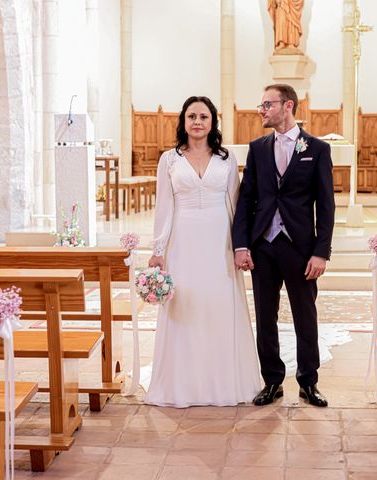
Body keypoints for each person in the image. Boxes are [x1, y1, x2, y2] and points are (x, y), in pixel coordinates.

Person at [145, 96, 261, 407]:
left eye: (204, 117)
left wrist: (241, 245)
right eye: (192, 116)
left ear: (213, 123)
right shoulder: (169, 160)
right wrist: (159, 248)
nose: (198, 122)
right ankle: (182, 385)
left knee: (218, 304)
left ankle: (224, 382)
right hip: (182, 241)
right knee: (186, 305)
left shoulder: (226, 158)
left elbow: (236, 205)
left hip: (218, 241)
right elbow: (164, 206)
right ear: (183, 121)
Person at [232, 84, 335, 407]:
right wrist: (241, 245)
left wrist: (321, 251)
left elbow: (326, 205)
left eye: (267, 104)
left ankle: (308, 381)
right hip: (264, 245)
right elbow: (245, 199)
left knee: (305, 316)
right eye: (261, 104)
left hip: (300, 247)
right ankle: (272, 381)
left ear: (287, 105)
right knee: (265, 316)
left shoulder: (316, 149)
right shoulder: (258, 148)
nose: (261, 110)